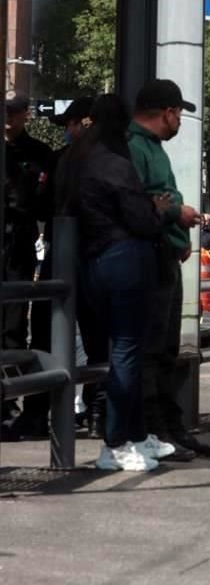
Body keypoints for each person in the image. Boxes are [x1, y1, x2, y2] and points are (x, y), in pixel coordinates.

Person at [58, 94, 178, 471]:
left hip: (85, 262)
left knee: (104, 352)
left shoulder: (73, 160)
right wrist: (156, 210)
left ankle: (135, 434)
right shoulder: (116, 164)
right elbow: (140, 221)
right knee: (127, 351)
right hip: (125, 258)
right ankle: (117, 441)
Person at [128, 79, 210, 459]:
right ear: (166, 112)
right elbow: (138, 202)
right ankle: (154, 429)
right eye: (178, 113)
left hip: (165, 253)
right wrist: (174, 213)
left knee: (166, 349)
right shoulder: (135, 148)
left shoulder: (152, 149)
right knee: (151, 349)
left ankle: (171, 426)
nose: (179, 120)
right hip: (148, 257)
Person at [18, 97, 107, 441]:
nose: (67, 132)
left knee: (44, 335)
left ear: (82, 123)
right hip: (97, 258)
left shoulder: (59, 161)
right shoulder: (114, 161)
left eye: (69, 125)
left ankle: (37, 413)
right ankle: (98, 411)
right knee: (99, 338)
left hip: (61, 260)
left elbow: (41, 206)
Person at [1, 92, 53, 439]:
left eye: (14, 111)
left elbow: (44, 202)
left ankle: (17, 404)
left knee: (13, 326)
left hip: (18, 246)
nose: (9, 117)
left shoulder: (39, 154)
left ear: (25, 115)